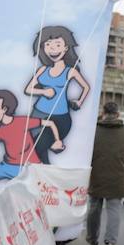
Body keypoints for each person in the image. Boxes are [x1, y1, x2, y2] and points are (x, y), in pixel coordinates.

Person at [25, 25, 90, 162]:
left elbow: (86, 87)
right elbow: (28, 89)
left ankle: (45, 177)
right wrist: (43, 91)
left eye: (57, 44)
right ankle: (44, 177)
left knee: (39, 147)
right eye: (48, 45)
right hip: (38, 113)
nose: (53, 49)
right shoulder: (43, 70)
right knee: (35, 148)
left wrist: (79, 102)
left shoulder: (70, 71)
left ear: (66, 48)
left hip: (60, 118)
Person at [87, 101, 124, 245]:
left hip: (95, 175)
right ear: (118, 114)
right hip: (118, 176)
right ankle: (111, 242)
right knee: (114, 210)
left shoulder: (92, 130)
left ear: (103, 113)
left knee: (94, 209)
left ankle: (92, 237)